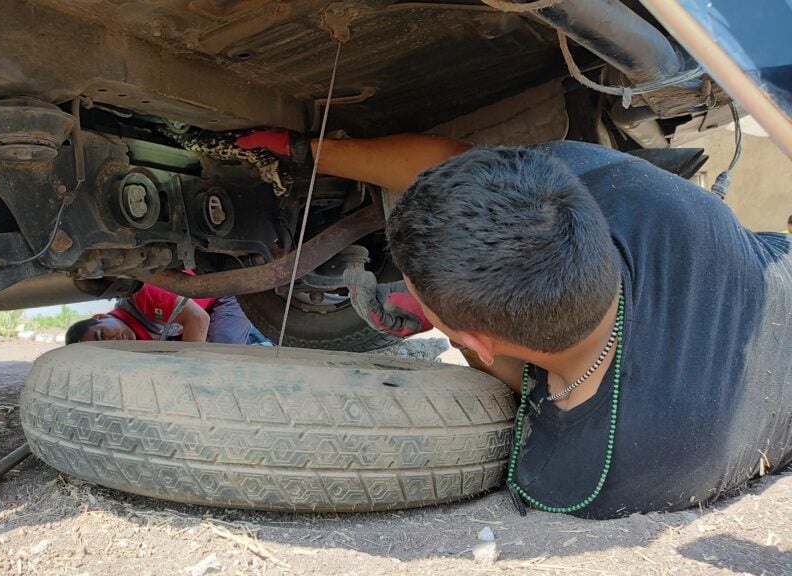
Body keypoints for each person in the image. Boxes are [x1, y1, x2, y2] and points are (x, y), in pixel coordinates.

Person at [236, 130, 792, 519]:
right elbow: (461, 169)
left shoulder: (585, 475)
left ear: (475, 343)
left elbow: (524, 383)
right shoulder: (624, 192)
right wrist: (306, 151)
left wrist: (460, 334)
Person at [66, 281, 251, 345]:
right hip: (206, 313)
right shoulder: (138, 338)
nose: (112, 342)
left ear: (100, 317)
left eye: (101, 335)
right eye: (106, 348)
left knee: (220, 351)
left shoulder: (141, 296)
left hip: (225, 293)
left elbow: (197, 319)